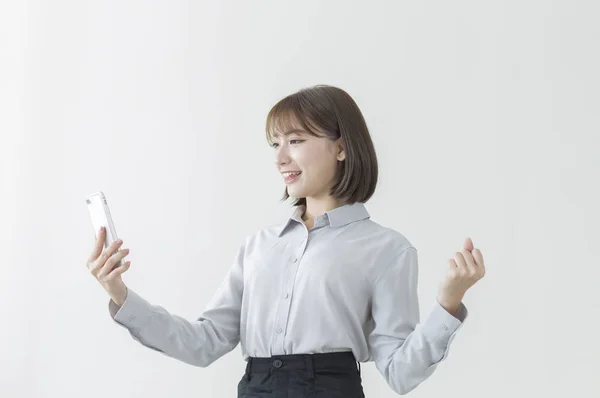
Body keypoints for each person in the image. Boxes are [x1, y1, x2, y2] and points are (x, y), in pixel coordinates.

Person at [86, 85, 486, 397]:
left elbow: (400, 373)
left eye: (295, 140)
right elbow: (203, 343)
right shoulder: (259, 247)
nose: (280, 158)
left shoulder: (387, 250)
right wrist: (121, 295)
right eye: (275, 143)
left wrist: (448, 303)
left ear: (342, 147)